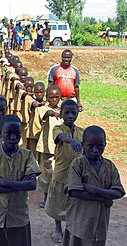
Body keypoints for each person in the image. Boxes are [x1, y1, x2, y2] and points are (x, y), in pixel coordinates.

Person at [0, 115, 41, 246]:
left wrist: (4, 182)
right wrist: (20, 184)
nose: (13, 138)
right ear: (0, 133)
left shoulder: (27, 155)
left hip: (19, 216)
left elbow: (32, 184)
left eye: (17, 134)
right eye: (8, 134)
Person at [63, 126, 126, 246]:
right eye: (90, 146)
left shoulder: (109, 166)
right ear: (83, 145)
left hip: (100, 225)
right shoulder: (78, 164)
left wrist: (95, 190)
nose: (95, 150)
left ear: (105, 145)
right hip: (80, 222)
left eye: (100, 146)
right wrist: (103, 198)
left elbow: (118, 192)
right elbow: (75, 192)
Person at [45, 100, 84, 243]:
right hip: (61, 172)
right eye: (66, 113)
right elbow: (60, 137)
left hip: (77, 174)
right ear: (61, 114)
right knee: (58, 201)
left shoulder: (81, 132)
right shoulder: (58, 128)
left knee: (73, 201)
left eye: (73, 113)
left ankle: (70, 227)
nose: (70, 116)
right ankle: (57, 227)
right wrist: (71, 141)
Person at [36, 85, 63, 209]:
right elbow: (45, 114)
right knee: (47, 174)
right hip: (47, 147)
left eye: (56, 97)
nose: (54, 100)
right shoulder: (43, 108)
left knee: (58, 174)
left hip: (61, 148)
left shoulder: (63, 108)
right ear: (47, 97)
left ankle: (57, 198)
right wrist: (52, 112)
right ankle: (46, 198)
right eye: (51, 97)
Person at [26, 82, 45, 158]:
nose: (39, 94)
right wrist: (37, 104)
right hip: (32, 132)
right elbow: (33, 103)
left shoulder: (47, 103)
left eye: (41, 92)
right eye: (37, 92)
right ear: (34, 92)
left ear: (44, 92)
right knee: (32, 153)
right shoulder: (31, 100)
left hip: (42, 132)